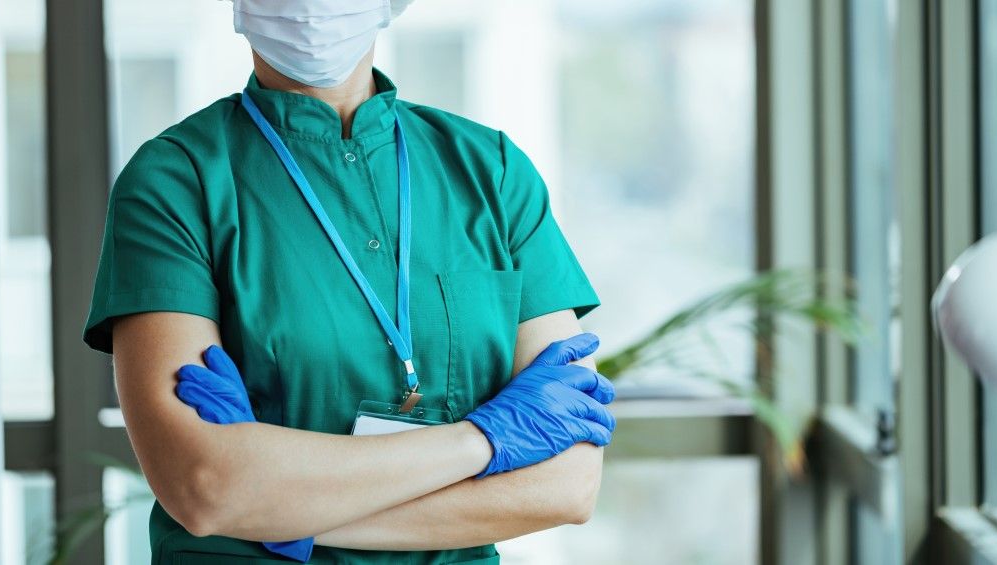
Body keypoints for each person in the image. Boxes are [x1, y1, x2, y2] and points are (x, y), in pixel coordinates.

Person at [82, 1, 615, 563]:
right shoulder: (175, 181)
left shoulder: (494, 172)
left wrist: (275, 504)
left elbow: (565, 485)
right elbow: (205, 486)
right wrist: (483, 439)